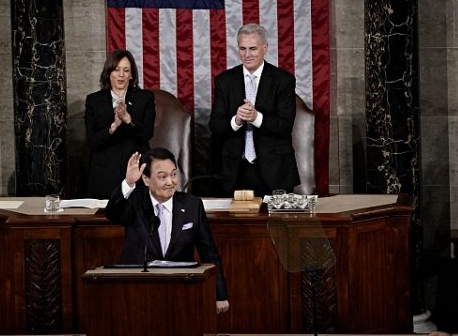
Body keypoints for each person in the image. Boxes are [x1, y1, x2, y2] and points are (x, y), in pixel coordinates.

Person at [105, 148, 230, 314]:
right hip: (138, 291)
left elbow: (209, 253)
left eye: (174, 174)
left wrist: (219, 294)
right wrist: (128, 183)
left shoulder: (192, 205)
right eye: (162, 176)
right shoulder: (134, 202)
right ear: (146, 179)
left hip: (181, 291)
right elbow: (112, 213)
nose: (170, 182)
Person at [209, 24, 299, 197]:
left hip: (274, 171)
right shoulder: (224, 81)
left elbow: (285, 126)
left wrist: (256, 117)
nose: (247, 54)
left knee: (277, 224)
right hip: (235, 171)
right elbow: (215, 126)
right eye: (242, 49)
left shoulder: (283, 80)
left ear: (264, 48)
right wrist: (237, 120)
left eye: (252, 48)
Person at [85, 49, 155, 198]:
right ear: (108, 73)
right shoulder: (93, 100)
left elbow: (146, 135)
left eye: (126, 70)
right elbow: (92, 141)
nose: (121, 75)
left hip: (136, 169)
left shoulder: (145, 98)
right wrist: (114, 126)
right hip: (104, 172)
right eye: (116, 70)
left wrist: (128, 119)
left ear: (132, 75)